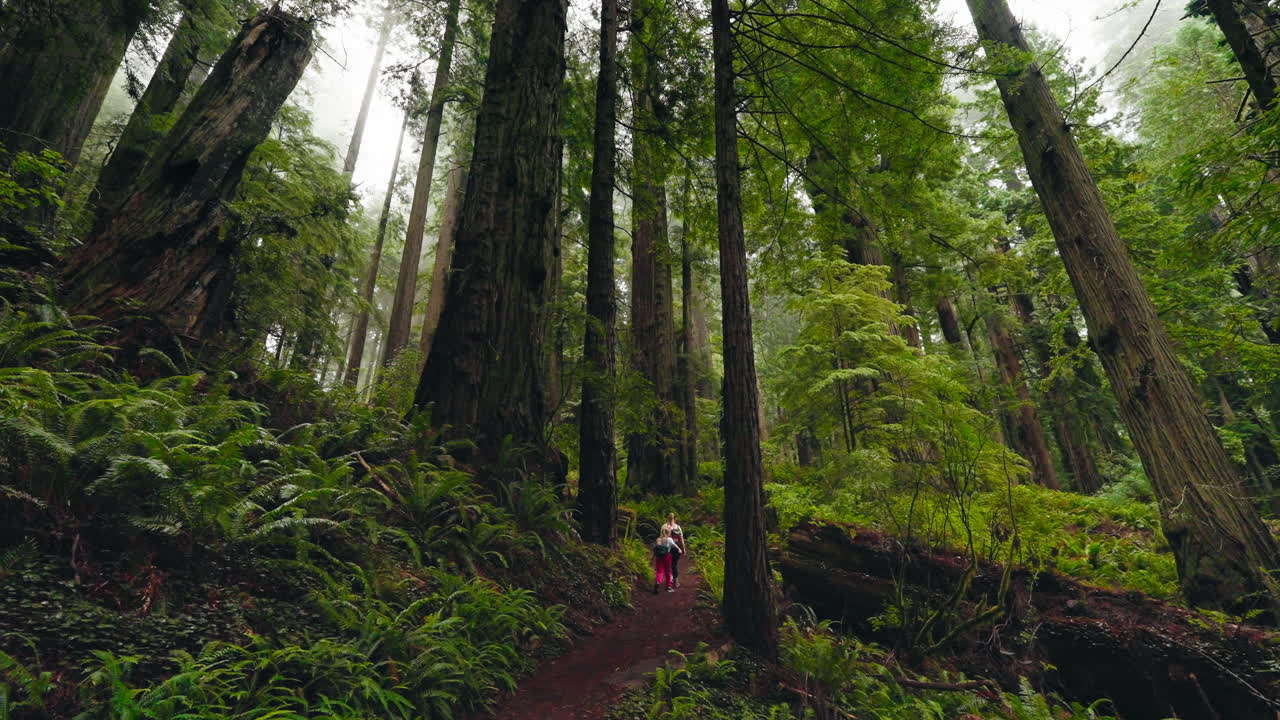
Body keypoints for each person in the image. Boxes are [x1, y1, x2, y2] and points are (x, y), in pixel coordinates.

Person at [662, 513, 687, 588]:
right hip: (676, 547)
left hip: (667, 547)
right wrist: (683, 549)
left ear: (667, 518)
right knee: (674, 564)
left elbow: (661, 537)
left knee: (667, 564)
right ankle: (676, 581)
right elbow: (681, 539)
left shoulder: (664, 526)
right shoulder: (678, 527)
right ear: (675, 519)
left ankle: (670, 579)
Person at [653, 527, 677, 593]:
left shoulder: (658, 539)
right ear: (668, 532)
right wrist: (679, 549)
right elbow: (674, 545)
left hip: (658, 557)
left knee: (659, 571)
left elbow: (656, 549)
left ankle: (658, 582)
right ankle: (668, 587)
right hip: (667, 556)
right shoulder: (669, 539)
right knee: (668, 571)